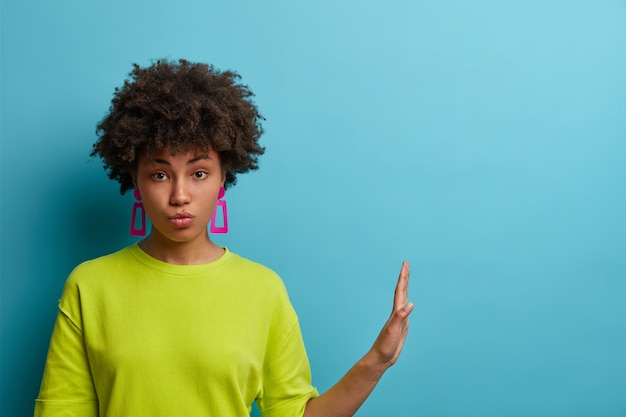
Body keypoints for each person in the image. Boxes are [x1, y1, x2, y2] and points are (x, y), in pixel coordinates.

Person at [34, 59, 414, 417]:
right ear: (135, 179)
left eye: (198, 173)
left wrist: (376, 361)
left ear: (223, 179)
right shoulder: (89, 286)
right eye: (160, 174)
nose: (179, 195)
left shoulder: (263, 290)